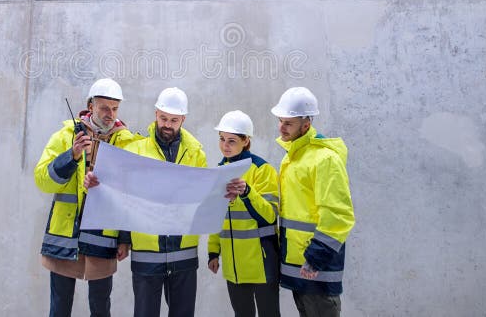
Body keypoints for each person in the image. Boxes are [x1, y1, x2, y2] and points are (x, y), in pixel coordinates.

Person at [34, 78, 135, 317]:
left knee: (101, 308)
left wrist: (124, 237)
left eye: (115, 108)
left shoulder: (127, 143)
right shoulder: (65, 135)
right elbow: (42, 179)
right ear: (90, 106)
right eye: (104, 108)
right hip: (66, 237)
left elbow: (128, 196)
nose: (110, 114)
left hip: (103, 238)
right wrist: (72, 155)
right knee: (60, 308)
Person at [106, 87, 207, 317]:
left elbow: (202, 198)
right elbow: (125, 199)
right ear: (155, 114)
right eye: (163, 118)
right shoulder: (136, 150)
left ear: (183, 119)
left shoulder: (196, 153)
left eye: (173, 120)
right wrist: (123, 238)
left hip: (183, 253)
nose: (167, 125)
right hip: (147, 253)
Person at [271, 87, 355, 317]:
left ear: (306, 125)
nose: (281, 128)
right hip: (300, 263)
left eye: (288, 123)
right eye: (280, 121)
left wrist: (315, 258)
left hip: (317, 266)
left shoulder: (324, 159)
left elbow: (338, 215)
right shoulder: (294, 158)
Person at [207, 110, 280, 317]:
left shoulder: (261, 169)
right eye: (222, 139)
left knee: (269, 314)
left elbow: (269, 215)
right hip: (233, 265)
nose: (225, 146)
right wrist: (213, 251)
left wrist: (248, 192)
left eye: (231, 140)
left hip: (261, 262)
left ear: (246, 140)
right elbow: (216, 215)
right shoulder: (219, 171)